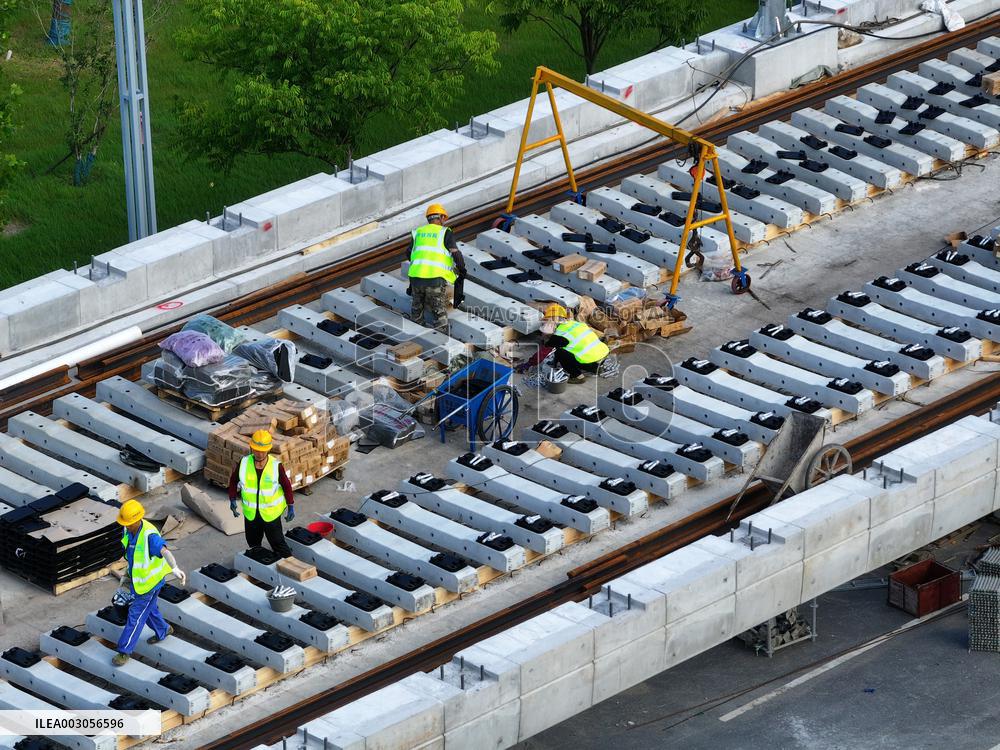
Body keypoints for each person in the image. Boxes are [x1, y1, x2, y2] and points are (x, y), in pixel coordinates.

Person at [112, 499, 186, 666]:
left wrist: (174, 568)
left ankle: (124, 651)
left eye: (129, 523)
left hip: (149, 584)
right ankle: (163, 629)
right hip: (137, 580)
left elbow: (164, 551)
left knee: (135, 616)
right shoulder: (129, 529)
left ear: (138, 519)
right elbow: (132, 555)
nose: (127, 525)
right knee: (149, 609)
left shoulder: (150, 536)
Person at [228, 430, 294, 558]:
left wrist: (290, 505)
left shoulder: (275, 466)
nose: (259, 453)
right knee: (253, 543)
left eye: (262, 451)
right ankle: (260, 565)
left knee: (278, 543)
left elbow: (286, 485)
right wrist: (232, 499)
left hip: (270, 514)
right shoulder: (244, 463)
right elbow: (233, 481)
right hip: (252, 514)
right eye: (256, 450)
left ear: (268, 450)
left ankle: (289, 565)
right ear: (251, 447)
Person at [407, 203, 466, 331]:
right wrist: (462, 269)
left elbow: (409, 253)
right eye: (444, 218)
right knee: (439, 312)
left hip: (416, 279)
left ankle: (416, 335)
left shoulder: (418, 232)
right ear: (440, 217)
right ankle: (440, 339)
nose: (445, 221)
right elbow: (455, 252)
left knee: (417, 310)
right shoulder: (445, 233)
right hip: (435, 279)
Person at [541, 303, 609, 384]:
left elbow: (547, 346)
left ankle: (578, 376)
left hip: (590, 361)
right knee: (566, 348)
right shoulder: (576, 324)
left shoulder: (560, 333)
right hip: (602, 357)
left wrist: (547, 334)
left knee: (560, 352)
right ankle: (596, 369)